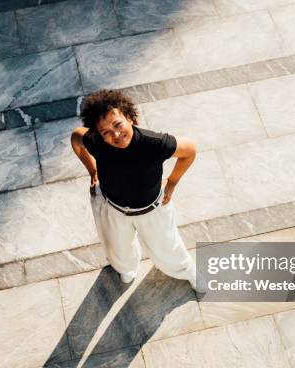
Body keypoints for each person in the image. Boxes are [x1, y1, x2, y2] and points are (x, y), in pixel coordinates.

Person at [70, 89, 206, 293]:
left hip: (152, 209)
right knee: (118, 248)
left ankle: (186, 270)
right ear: (99, 134)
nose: (115, 134)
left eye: (118, 124)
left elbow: (190, 150)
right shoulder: (96, 142)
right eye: (106, 131)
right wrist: (92, 171)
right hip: (114, 209)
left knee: (168, 246)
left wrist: (172, 183)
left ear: (130, 117)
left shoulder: (155, 143)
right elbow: (76, 138)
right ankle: (126, 268)